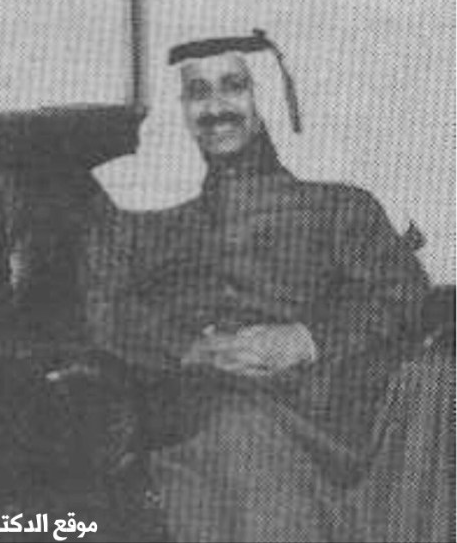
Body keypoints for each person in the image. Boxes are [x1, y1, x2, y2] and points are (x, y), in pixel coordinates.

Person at [80, 30, 430, 541]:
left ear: (261, 94)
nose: (216, 108)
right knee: (233, 431)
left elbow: (400, 288)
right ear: (178, 106)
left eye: (233, 86)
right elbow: (103, 306)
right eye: (198, 92)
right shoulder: (128, 200)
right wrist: (192, 348)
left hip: (323, 392)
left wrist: (305, 338)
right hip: (197, 390)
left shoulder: (332, 195)